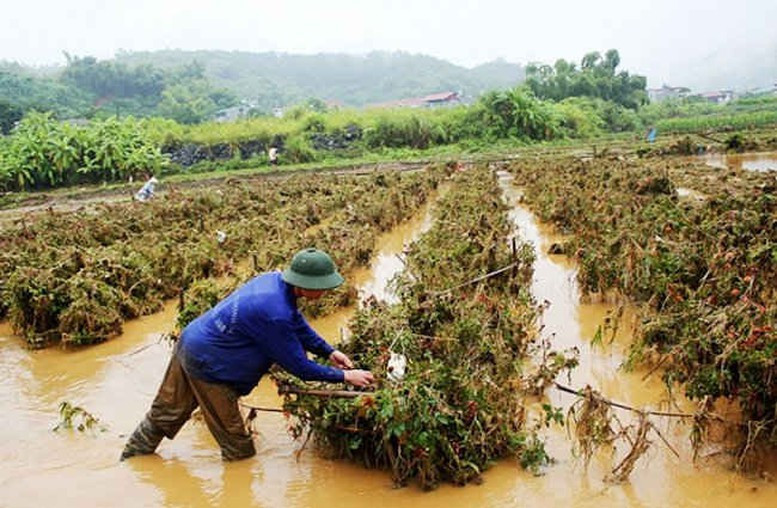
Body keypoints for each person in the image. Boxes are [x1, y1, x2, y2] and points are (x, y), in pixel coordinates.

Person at [121, 248, 374, 461]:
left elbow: (297, 324)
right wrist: (345, 376)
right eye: (323, 287)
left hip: (192, 341)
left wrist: (330, 351)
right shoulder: (274, 313)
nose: (325, 292)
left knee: (165, 413)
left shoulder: (273, 282)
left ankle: (131, 463)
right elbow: (301, 368)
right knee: (238, 447)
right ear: (305, 284)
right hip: (211, 366)